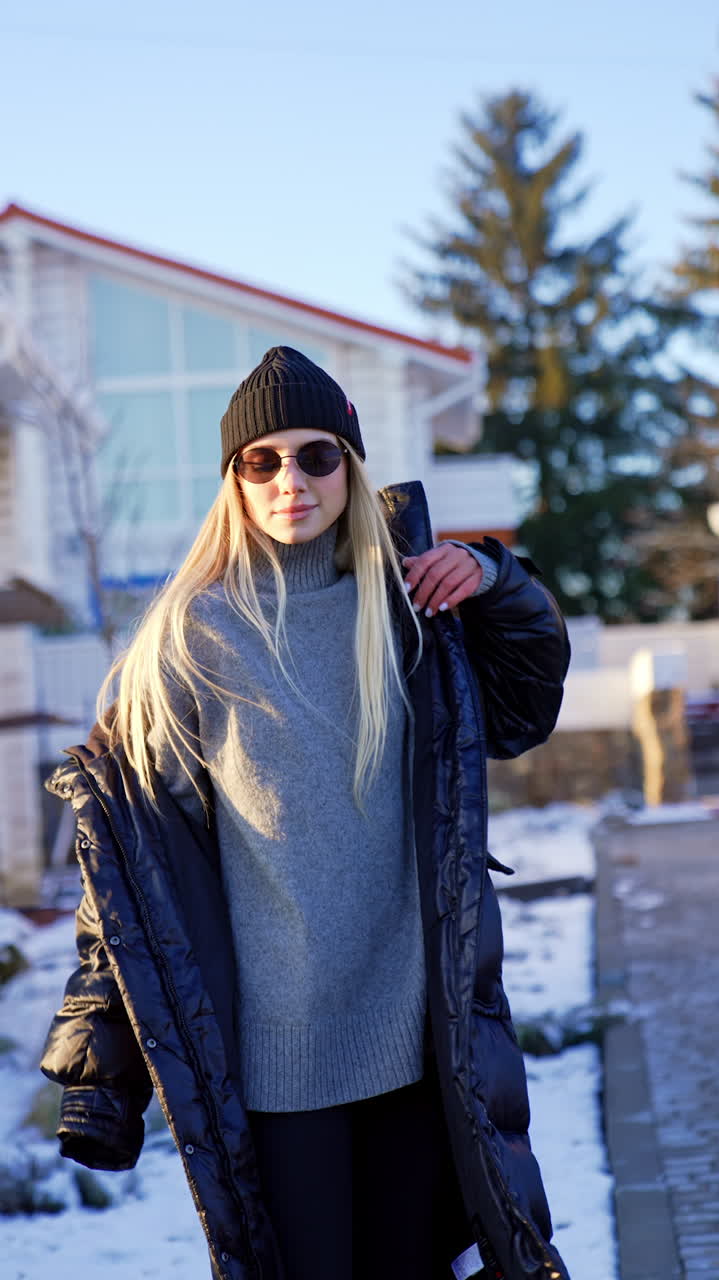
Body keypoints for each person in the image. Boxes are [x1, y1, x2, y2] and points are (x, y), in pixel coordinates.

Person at [40, 347, 571, 1280]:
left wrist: (497, 580)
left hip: (424, 1044)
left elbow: (524, 711)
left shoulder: (411, 610)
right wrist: (96, 1066)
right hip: (279, 1067)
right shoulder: (189, 638)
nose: (292, 480)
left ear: (351, 467)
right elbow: (131, 872)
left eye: (318, 455)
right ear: (236, 482)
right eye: (263, 460)